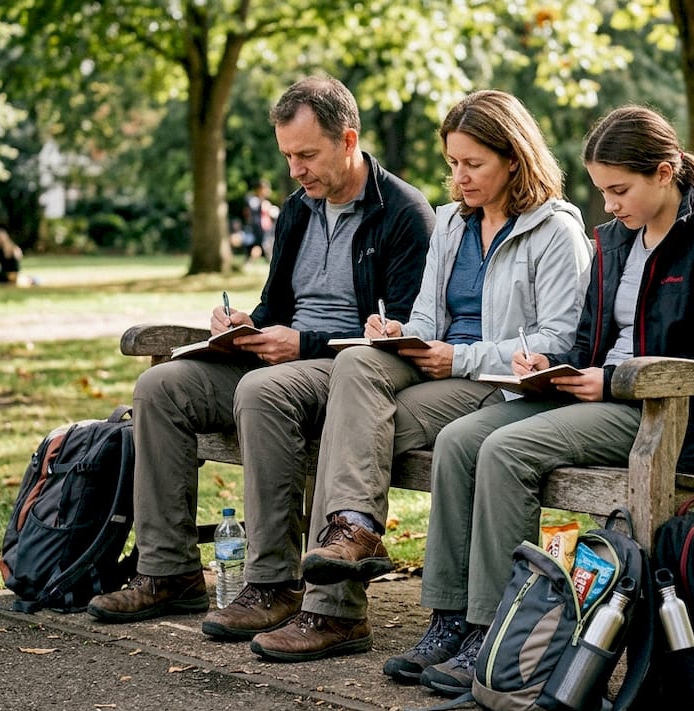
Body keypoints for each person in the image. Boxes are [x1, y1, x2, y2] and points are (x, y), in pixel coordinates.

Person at [389, 105, 694, 695]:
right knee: (459, 441)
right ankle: (451, 618)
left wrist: (613, 383)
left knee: (507, 449)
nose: (608, 205)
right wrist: (549, 367)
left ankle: (497, 634)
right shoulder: (615, 240)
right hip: (601, 398)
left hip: (670, 418)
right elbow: (587, 340)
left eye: (620, 190)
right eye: (602, 190)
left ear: (665, 173)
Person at [237, 90, 593, 663]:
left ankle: (336, 611)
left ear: (514, 159)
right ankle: (353, 532)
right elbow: (427, 317)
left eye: (473, 164)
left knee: (346, 429)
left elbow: (559, 340)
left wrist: (461, 358)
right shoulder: (452, 224)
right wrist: (397, 330)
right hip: (438, 371)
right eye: (453, 163)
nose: (460, 178)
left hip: (499, 386)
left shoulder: (555, 232)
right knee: (357, 365)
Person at [85, 77, 435, 634]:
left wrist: (304, 343)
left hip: (347, 371)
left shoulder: (403, 213)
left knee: (261, 390)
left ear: (348, 140)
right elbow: (278, 305)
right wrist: (245, 324)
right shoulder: (299, 209)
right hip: (283, 360)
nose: (295, 170)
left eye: (306, 155)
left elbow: (404, 335)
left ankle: (274, 583)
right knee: (161, 387)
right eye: (288, 156)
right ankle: (168, 571)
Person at [243, 179, 279, 260]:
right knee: (258, 247)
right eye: (266, 189)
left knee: (262, 247)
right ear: (260, 189)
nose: (268, 191)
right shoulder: (252, 199)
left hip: (266, 230)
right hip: (256, 229)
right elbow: (251, 212)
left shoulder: (265, 201)